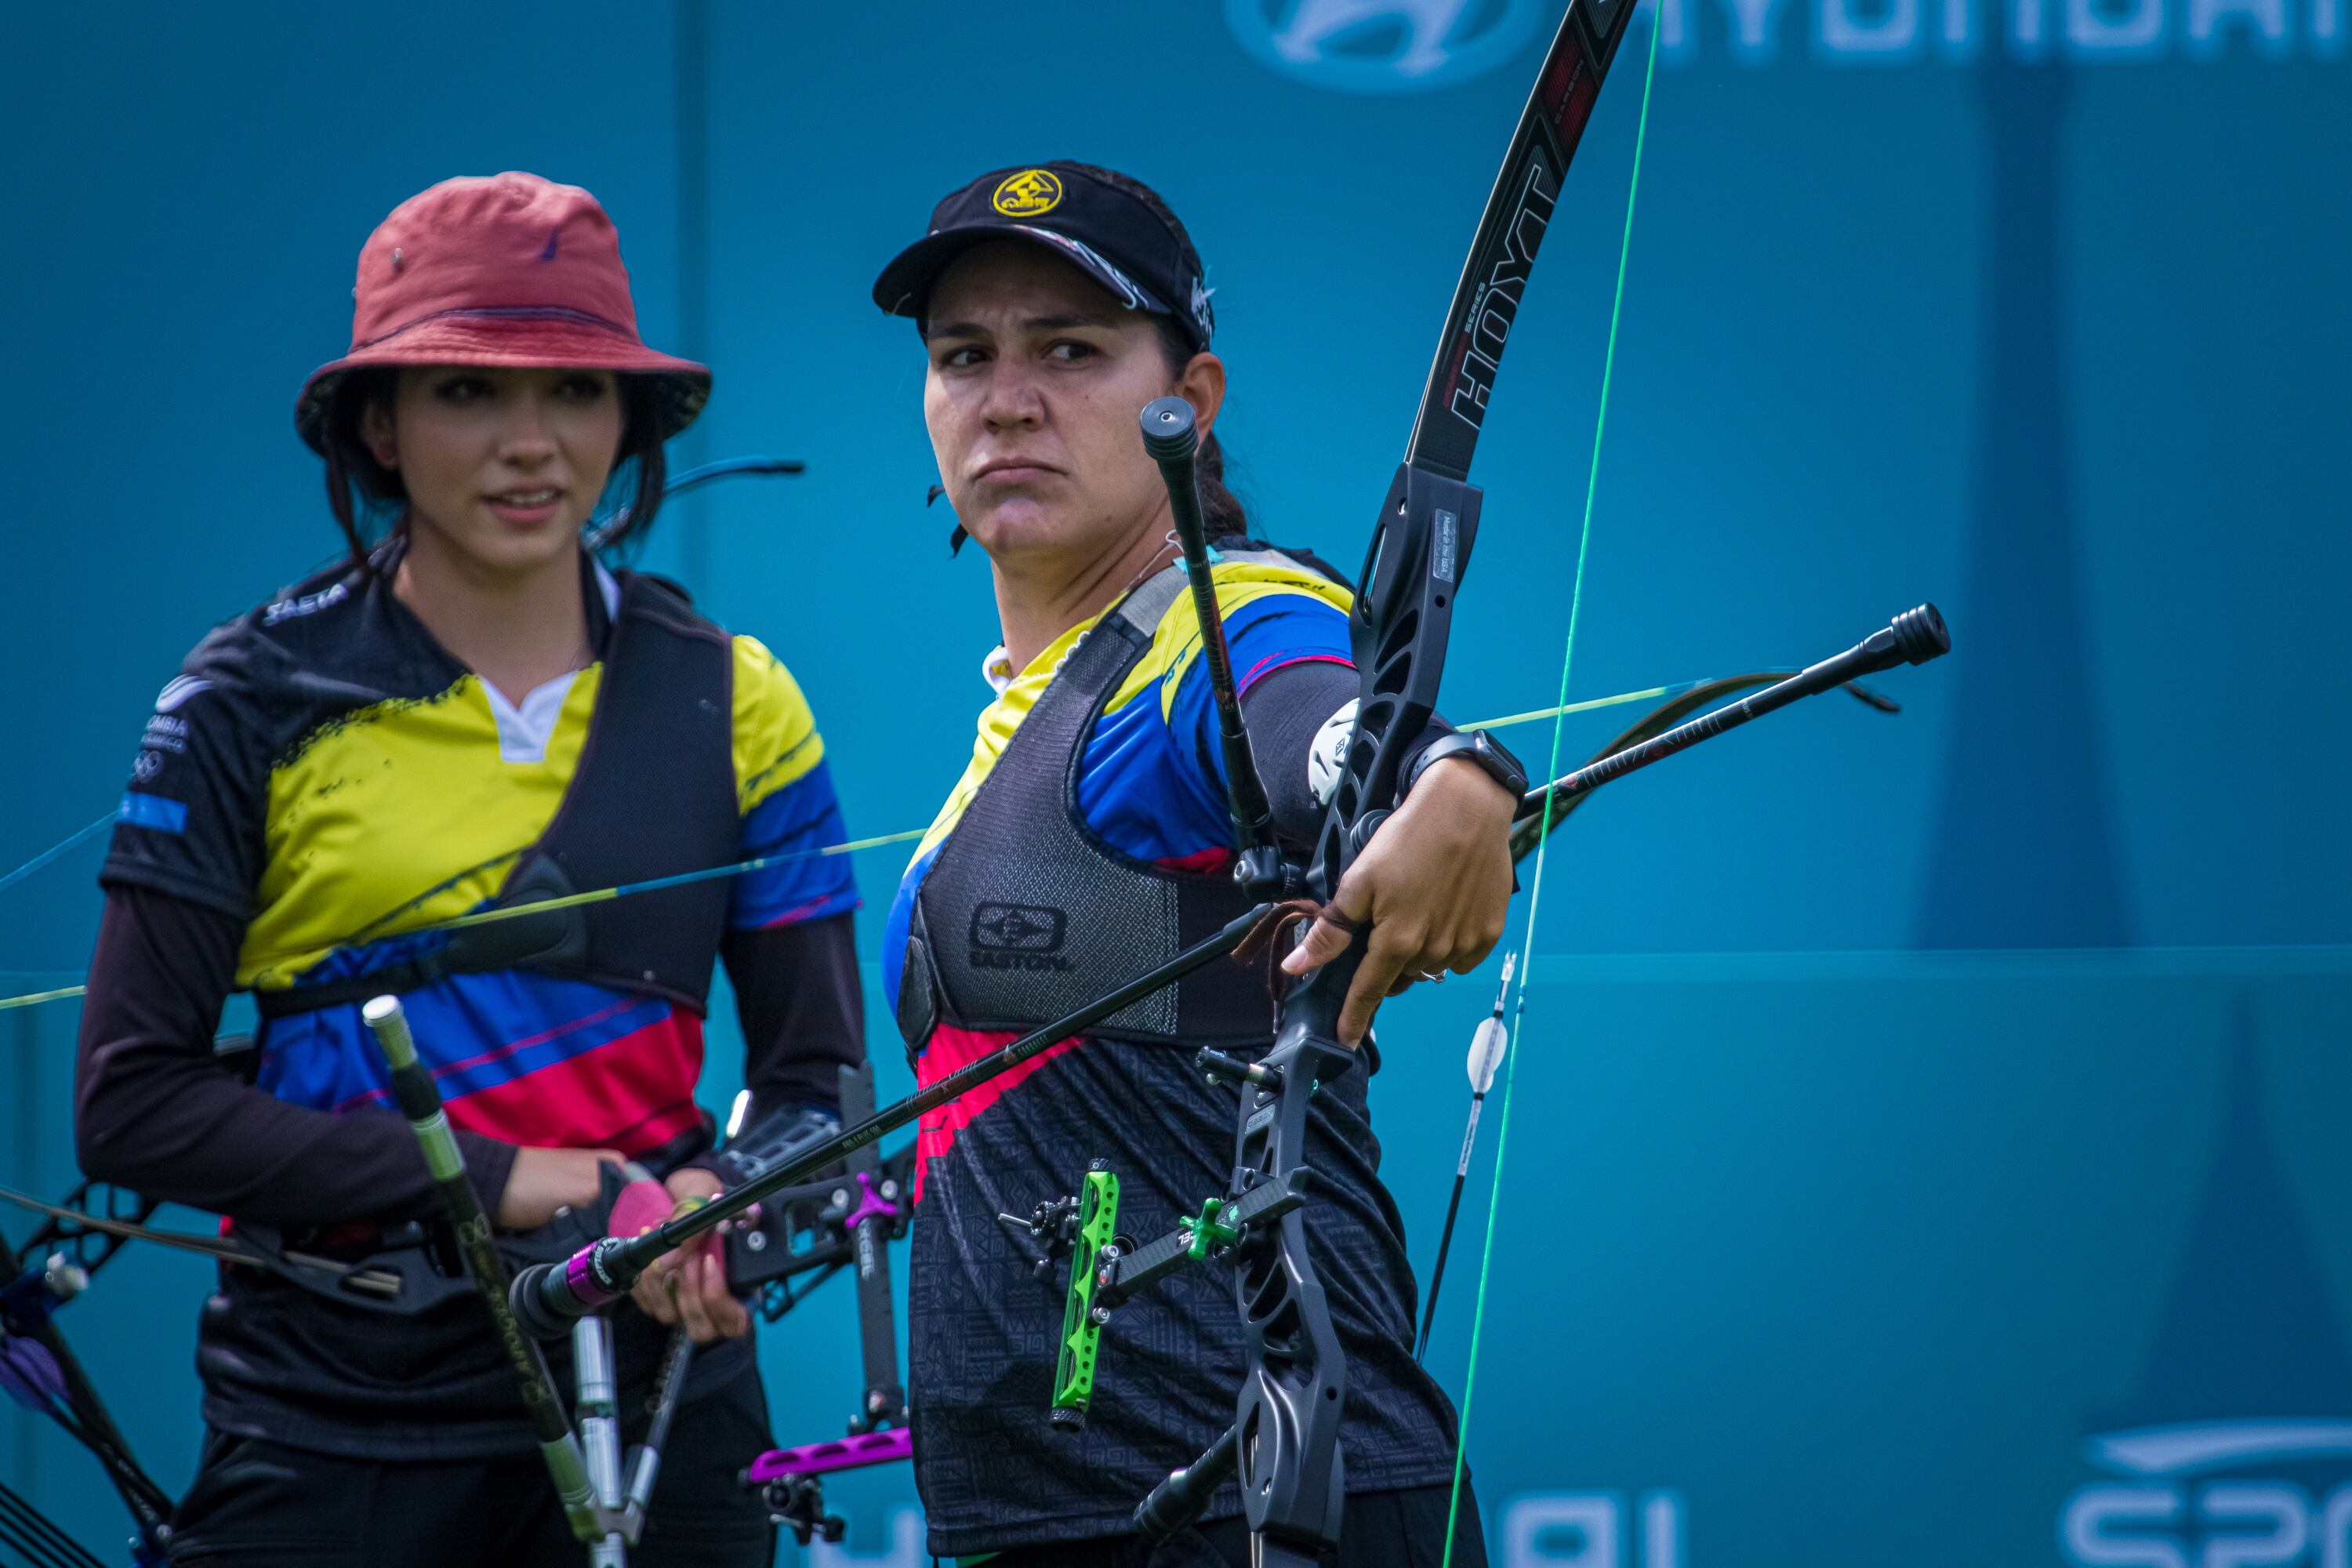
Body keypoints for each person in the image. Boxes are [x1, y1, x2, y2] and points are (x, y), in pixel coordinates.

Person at [74, 172, 862, 1566]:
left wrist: (723, 1210)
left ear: (630, 422)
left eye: (573, 394)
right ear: (377, 424)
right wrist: (515, 1177)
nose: (531, 446)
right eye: (467, 393)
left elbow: (820, 1092)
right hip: (337, 1417)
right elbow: (133, 1106)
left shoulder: (737, 698)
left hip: (661, 1403)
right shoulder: (244, 699)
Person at [870, 162, 1525, 1566]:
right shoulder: (1030, 705)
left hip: (1259, 1509)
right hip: (1055, 1521)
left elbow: (1328, 726)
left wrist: (1452, 779)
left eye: (1072, 351)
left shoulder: (1224, 626)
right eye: (962, 356)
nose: (1008, 397)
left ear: (1194, 397)